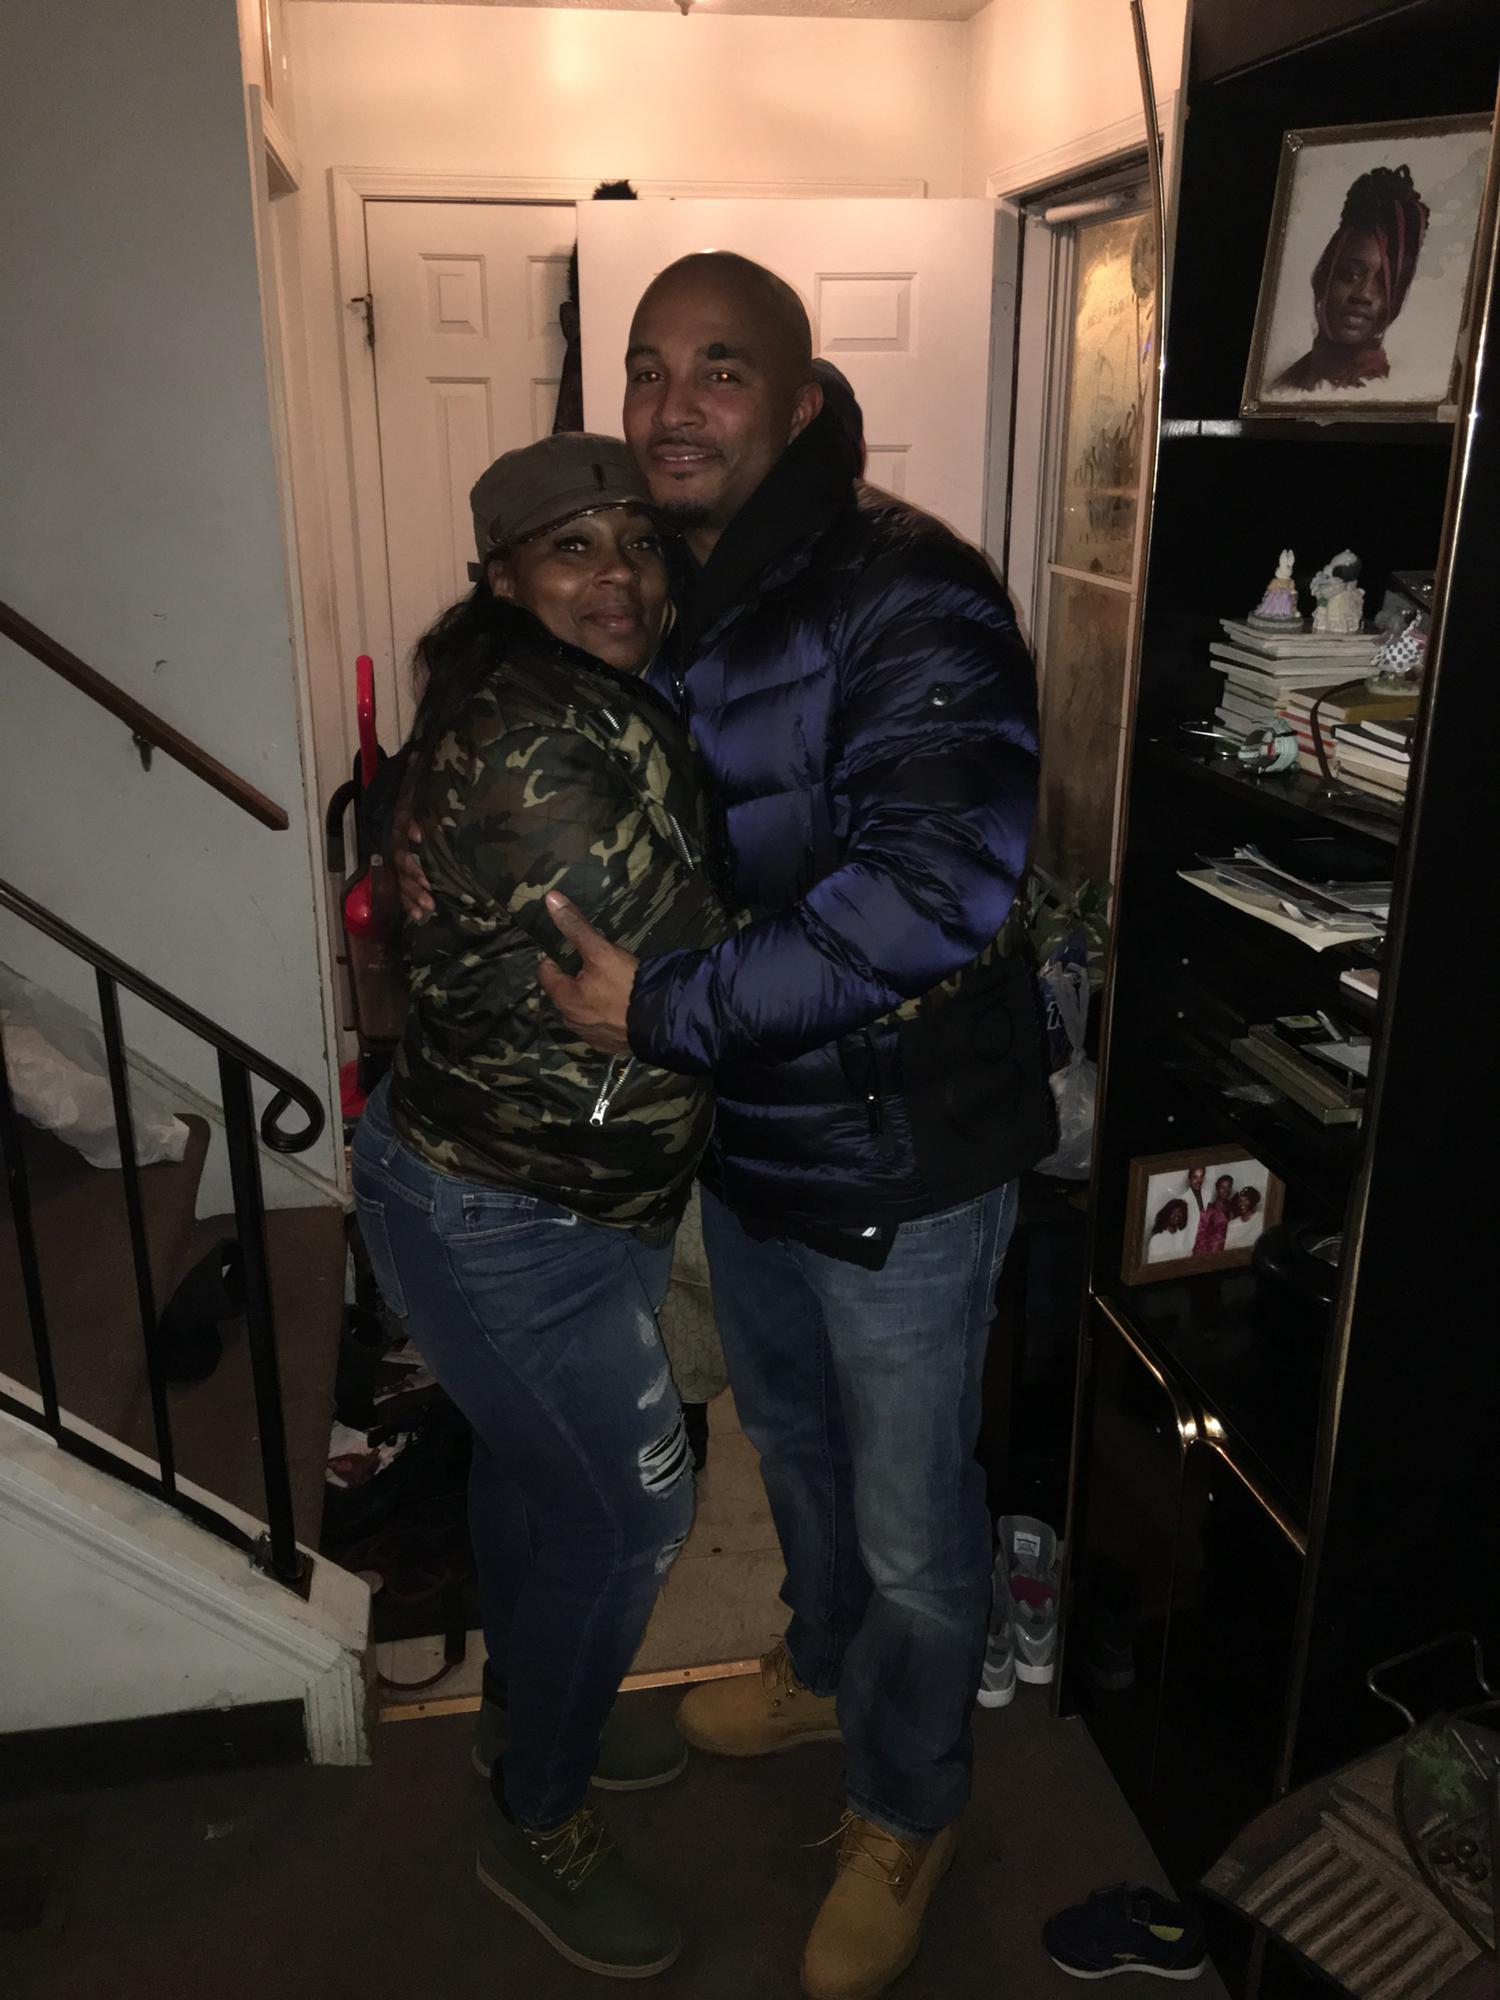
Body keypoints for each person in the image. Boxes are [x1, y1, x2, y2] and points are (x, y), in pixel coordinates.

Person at [532, 252, 1050, 2000]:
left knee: (914, 1527)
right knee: (801, 1466)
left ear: (804, 401)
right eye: (647, 367)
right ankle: (825, 1670)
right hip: (752, 1142)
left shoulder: (913, 592)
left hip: (908, 1161)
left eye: (720, 368)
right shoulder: (671, 589)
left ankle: (910, 1806)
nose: (671, 405)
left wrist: (665, 1011)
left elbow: (938, 888)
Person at [354, 433, 728, 1980]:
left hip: (563, 1188)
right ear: (503, 575)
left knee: (535, 1478)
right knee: (632, 1513)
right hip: (505, 1215)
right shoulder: (527, 752)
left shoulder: (575, 691)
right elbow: (708, 972)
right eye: (573, 547)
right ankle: (538, 1812)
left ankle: (526, 1708)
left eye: (636, 539)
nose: (619, 575)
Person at [1272, 163, 1430, 393]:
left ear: (1396, 300)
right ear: (1323, 276)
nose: (1364, 294)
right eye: (1351, 275)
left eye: (1383, 283)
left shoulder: (1392, 390)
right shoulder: (1283, 384)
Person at [1194, 1173, 1235, 1257]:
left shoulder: (1232, 1207)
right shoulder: (1210, 1209)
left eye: (1228, 1187)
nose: (1226, 1190)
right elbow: (1201, 1235)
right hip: (1213, 1251)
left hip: (1229, 1250)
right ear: (1217, 1189)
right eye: (1222, 1187)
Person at [1147, 1197, 1192, 1264]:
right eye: (1173, 1213)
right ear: (1167, 1214)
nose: (1176, 1217)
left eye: (1179, 1214)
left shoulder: (1184, 1236)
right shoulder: (1157, 1239)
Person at [1225, 1184, 1264, 1252]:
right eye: (1240, 1200)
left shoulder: (1261, 1219)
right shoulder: (1232, 1224)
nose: (1242, 1203)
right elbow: (1226, 1248)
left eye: (1246, 1200)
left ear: (1253, 1201)